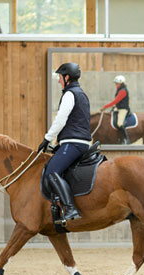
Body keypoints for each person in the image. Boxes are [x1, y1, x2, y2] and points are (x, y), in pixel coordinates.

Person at [37, 62, 92, 224]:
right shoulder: (82, 94)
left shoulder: (70, 94)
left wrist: (47, 138)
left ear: (67, 77)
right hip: (77, 142)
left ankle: (70, 208)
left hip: (73, 143)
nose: (59, 80)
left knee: (51, 171)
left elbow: (61, 120)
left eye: (60, 77)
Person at [100, 75, 131, 144]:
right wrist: (114, 106)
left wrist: (105, 107)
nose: (116, 85)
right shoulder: (119, 89)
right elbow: (118, 102)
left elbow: (115, 101)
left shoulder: (123, 91)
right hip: (118, 107)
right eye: (115, 84)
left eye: (117, 84)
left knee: (119, 123)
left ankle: (126, 139)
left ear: (121, 83)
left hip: (123, 109)